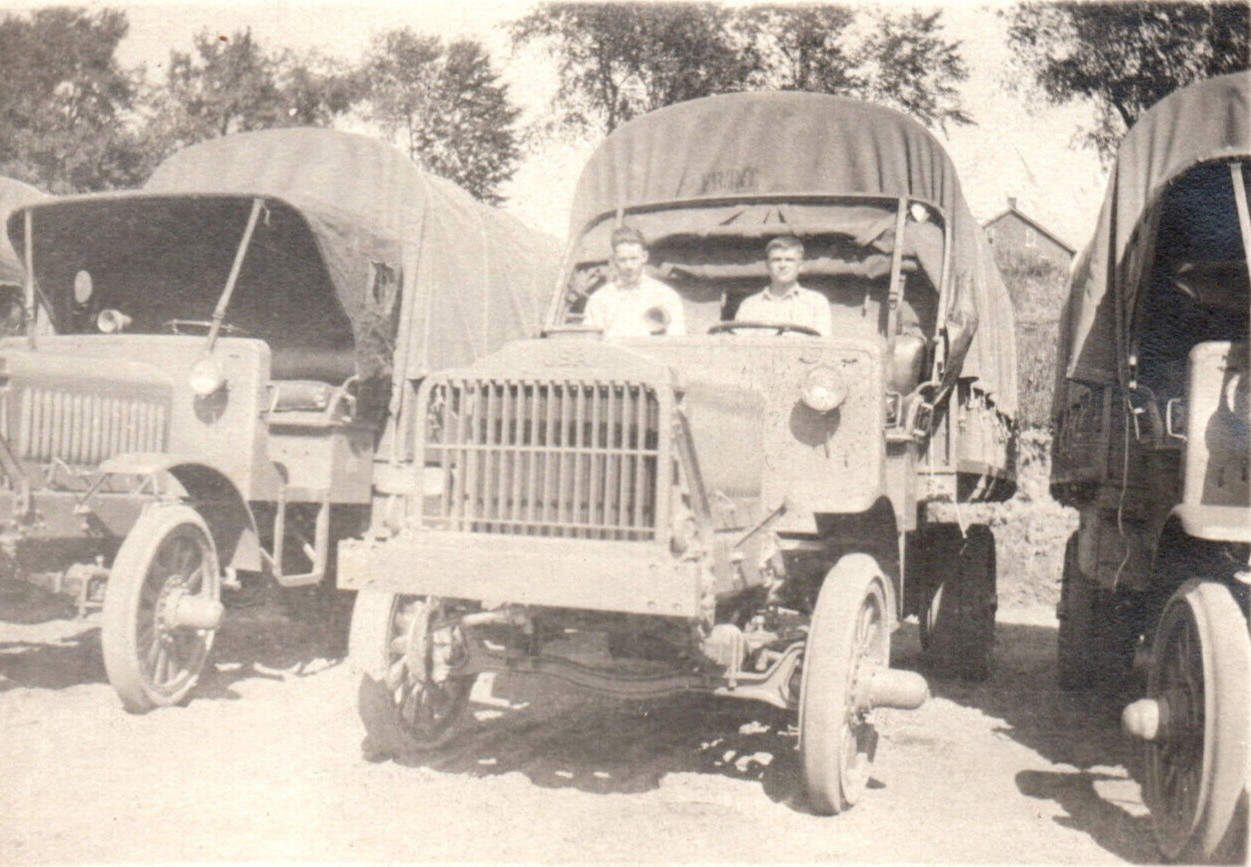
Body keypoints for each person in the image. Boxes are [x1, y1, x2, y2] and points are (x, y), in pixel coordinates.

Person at [583, 226, 685, 337]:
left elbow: (675, 344)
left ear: (644, 257)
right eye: (623, 260)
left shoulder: (666, 296)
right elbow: (590, 344)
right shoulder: (599, 299)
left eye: (634, 258)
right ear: (613, 260)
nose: (629, 266)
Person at [735, 235, 832, 336]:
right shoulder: (750, 305)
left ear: (800, 266)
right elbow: (740, 345)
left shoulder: (816, 302)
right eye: (776, 260)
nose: (782, 265)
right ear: (767, 265)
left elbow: (822, 346)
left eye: (789, 260)